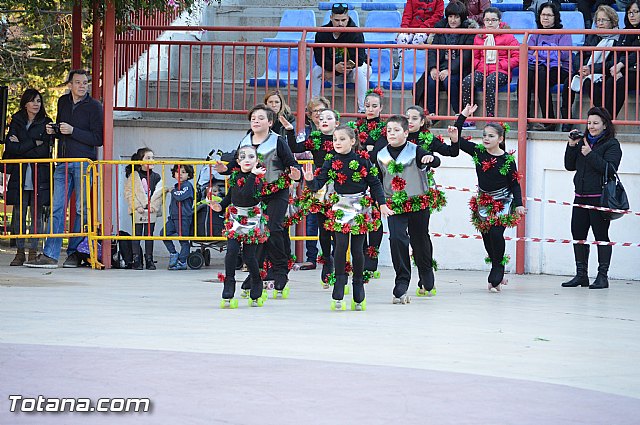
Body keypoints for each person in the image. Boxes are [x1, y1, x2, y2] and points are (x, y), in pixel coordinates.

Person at [215, 104, 301, 298]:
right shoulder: (245, 139)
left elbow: (292, 164)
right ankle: (257, 274)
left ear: (270, 122)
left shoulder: (278, 141)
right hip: (254, 194)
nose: (256, 120)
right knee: (256, 235)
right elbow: (236, 164)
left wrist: (296, 174)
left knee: (273, 229)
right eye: (253, 117)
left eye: (261, 118)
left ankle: (280, 271)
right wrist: (224, 169)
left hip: (276, 191)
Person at [303, 125, 389, 311]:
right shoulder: (331, 160)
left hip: (359, 206)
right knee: (340, 247)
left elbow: (374, 183)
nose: (338, 143)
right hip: (340, 206)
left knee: (358, 248)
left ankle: (358, 284)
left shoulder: (363, 160)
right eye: (335, 139)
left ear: (352, 141)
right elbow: (319, 183)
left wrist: (381, 203)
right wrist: (310, 180)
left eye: (342, 139)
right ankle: (339, 282)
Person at [25, 69, 104, 269]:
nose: (82, 86)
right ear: (70, 84)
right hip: (62, 162)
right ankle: (50, 254)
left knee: (81, 210)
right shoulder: (63, 101)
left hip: (84, 163)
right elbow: (63, 129)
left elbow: (98, 139)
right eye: (78, 82)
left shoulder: (95, 106)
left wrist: (73, 131)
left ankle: (75, 254)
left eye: (85, 82)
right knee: (57, 208)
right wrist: (55, 130)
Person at [450, 104, 526, 292]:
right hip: (483, 199)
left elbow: (515, 183)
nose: (486, 138)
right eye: (484, 135)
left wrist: (519, 204)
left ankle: (498, 267)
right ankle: (496, 264)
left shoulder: (507, 160)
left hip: (503, 201)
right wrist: (463, 116)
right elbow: (457, 138)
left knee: (495, 233)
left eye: (491, 136)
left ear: (500, 139)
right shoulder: (478, 152)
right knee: (486, 236)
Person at [376, 115, 443, 304]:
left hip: (417, 202)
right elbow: (375, 180)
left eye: (396, 130)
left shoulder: (416, 150)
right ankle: (402, 281)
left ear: (406, 133)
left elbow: (435, 162)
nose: (392, 134)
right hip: (393, 204)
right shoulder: (380, 154)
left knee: (419, 238)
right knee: (396, 238)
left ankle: (426, 272)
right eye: (389, 130)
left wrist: (431, 158)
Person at [562, 107, 622, 290]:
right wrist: (572, 145)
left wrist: (590, 154)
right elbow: (569, 165)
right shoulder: (583, 141)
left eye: (596, 123)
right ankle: (581, 275)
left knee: (601, 236)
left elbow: (609, 169)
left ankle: (602, 276)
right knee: (578, 235)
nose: (591, 126)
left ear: (605, 125)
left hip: (599, 199)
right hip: (580, 196)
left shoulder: (612, 144)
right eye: (589, 123)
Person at [212, 145, 269, 308]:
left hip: (251, 218)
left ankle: (256, 281)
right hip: (235, 218)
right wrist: (221, 206)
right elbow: (233, 195)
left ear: (257, 160)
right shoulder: (236, 175)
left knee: (249, 257)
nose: (247, 160)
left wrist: (252, 175)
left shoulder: (258, 178)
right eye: (243, 157)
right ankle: (229, 285)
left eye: (251, 157)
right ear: (238, 161)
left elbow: (247, 194)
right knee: (231, 252)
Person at [290, 108, 340, 284]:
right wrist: (290, 130)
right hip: (319, 186)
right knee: (324, 229)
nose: (324, 120)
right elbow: (295, 148)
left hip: (340, 187)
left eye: (329, 118)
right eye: (321, 118)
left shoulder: (342, 138)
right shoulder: (315, 139)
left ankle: (338, 261)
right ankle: (327, 261)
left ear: (337, 123)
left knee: (338, 230)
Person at [4, 89, 52, 266]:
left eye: (39, 101)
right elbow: (11, 147)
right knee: (18, 214)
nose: (36, 104)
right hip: (20, 173)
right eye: (32, 101)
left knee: (37, 215)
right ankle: (19, 252)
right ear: (25, 103)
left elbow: (44, 150)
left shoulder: (46, 122)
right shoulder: (16, 121)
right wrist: (33, 142)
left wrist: (22, 145)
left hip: (40, 173)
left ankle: (33, 252)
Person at [561, 5, 620, 132]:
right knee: (567, 82)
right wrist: (580, 68)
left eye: (604, 20)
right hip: (585, 71)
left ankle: (602, 121)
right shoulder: (593, 36)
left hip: (603, 74)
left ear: (612, 21)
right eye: (598, 20)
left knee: (590, 84)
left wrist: (591, 69)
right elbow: (581, 54)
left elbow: (612, 63)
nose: (600, 23)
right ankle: (567, 120)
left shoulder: (618, 39)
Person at [461, 8, 519, 129]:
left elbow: (517, 57)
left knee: (490, 82)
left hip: (501, 71)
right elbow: (475, 57)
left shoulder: (508, 36)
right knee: (467, 81)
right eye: (487, 20)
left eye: (493, 20)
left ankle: (490, 117)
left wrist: (501, 65)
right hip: (482, 69)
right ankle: (468, 116)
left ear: (499, 21)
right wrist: (478, 65)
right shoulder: (479, 36)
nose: (490, 23)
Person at [416, 1, 477, 115]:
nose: (453, 20)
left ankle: (459, 112)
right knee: (430, 79)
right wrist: (433, 68)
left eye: (456, 17)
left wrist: (449, 70)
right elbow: (433, 50)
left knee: (450, 80)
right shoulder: (440, 29)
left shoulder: (469, 31)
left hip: (459, 70)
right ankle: (431, 114)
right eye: (450, 16)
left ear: (462, 18)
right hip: (440, 67)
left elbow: (465, 56)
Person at [350, 88, 387, 276]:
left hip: (376, 177)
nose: (370, 109)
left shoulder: (384, 129)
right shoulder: (357, 127)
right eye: (367, 106)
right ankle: (361, 255)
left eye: (374, 106)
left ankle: (372, 257)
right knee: (359, 215)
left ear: (381, 108)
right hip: (358, 178)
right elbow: (356, 151)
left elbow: (375, 154)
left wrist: (368, 150)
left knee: (375, 217)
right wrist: (367, 150)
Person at [295, 97, 332, 270]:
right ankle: (311, 257)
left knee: (333, 221)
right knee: (312, 220)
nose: (319, 115)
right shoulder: (308, 133)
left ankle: (332, 257)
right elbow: (297, 150)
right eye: (316, 112)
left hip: (334, 181)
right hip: (314, 178)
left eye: (322, 111)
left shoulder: (337, 132)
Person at [312, 3, 369, 113]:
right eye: (337, 20)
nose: (340, 24)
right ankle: (311, 109)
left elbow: (359, 59)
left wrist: (335, 71)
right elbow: (319, 58)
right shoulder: (321, 33)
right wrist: (334, 68)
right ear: (331, 18)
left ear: (348, 18)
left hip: (353, 71)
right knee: (316, 71)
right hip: (333, 70)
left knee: (359, 70)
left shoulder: (356, 32)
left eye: (343, 20)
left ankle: (363, 111)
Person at [526, 2, 572, 131]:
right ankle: (524, 117)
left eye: (549, 15)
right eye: (543, 15)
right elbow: (528, 54)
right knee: (526, 75)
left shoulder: (563, 33)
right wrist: (549, 50)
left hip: (560, 69)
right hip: (539, 68)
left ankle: (549, 120)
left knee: (540, 74)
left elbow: (562, 55)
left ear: (555, 17)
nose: (545, 18)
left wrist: (539, 52)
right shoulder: (535, 33)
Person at [124, 147, 164, 270]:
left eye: (153, 157)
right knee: (137, 233)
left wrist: (153, 206)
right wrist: (137, 206)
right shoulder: (134, 176)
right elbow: (129, 193)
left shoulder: (156, 176)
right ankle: (136, 259)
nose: (151, 160)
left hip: (151, 210)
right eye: (148, 158)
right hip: (138, 210)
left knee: (149, 234)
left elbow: (159, 193)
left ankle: (149, 259)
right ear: (140, 161)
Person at [604, 0, 640, 119]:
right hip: (626, 70)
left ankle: (608, 120)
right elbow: (618, 52)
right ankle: (605, 119)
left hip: (636, 71)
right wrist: (617, 68)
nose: (632, 15)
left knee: (621, 83)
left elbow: (636, 53)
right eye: (629, 12)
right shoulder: (625, 31)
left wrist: (620, 65)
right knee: (609, 82)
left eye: (635, 12)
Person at [163, 164, 195, 271]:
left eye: (183, 172)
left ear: (189, 175)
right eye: (177, 172)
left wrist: (171, 191)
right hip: (173, 217)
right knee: (164, 234)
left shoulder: (187, 186)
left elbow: (179, 196)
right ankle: (173, 253)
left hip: (184, 217)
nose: (180, 174)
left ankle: (182, 262)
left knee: (183, 240)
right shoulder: (177, 186)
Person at [395, 0, 444, 67]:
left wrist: (425, 26)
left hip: (428, 28)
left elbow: (438, 16)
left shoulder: (439, 1)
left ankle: (412, 61)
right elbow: (407, 15)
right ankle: (402, 62)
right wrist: (404, 28)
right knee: (401, 37)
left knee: (419, 37)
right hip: (411, 27)